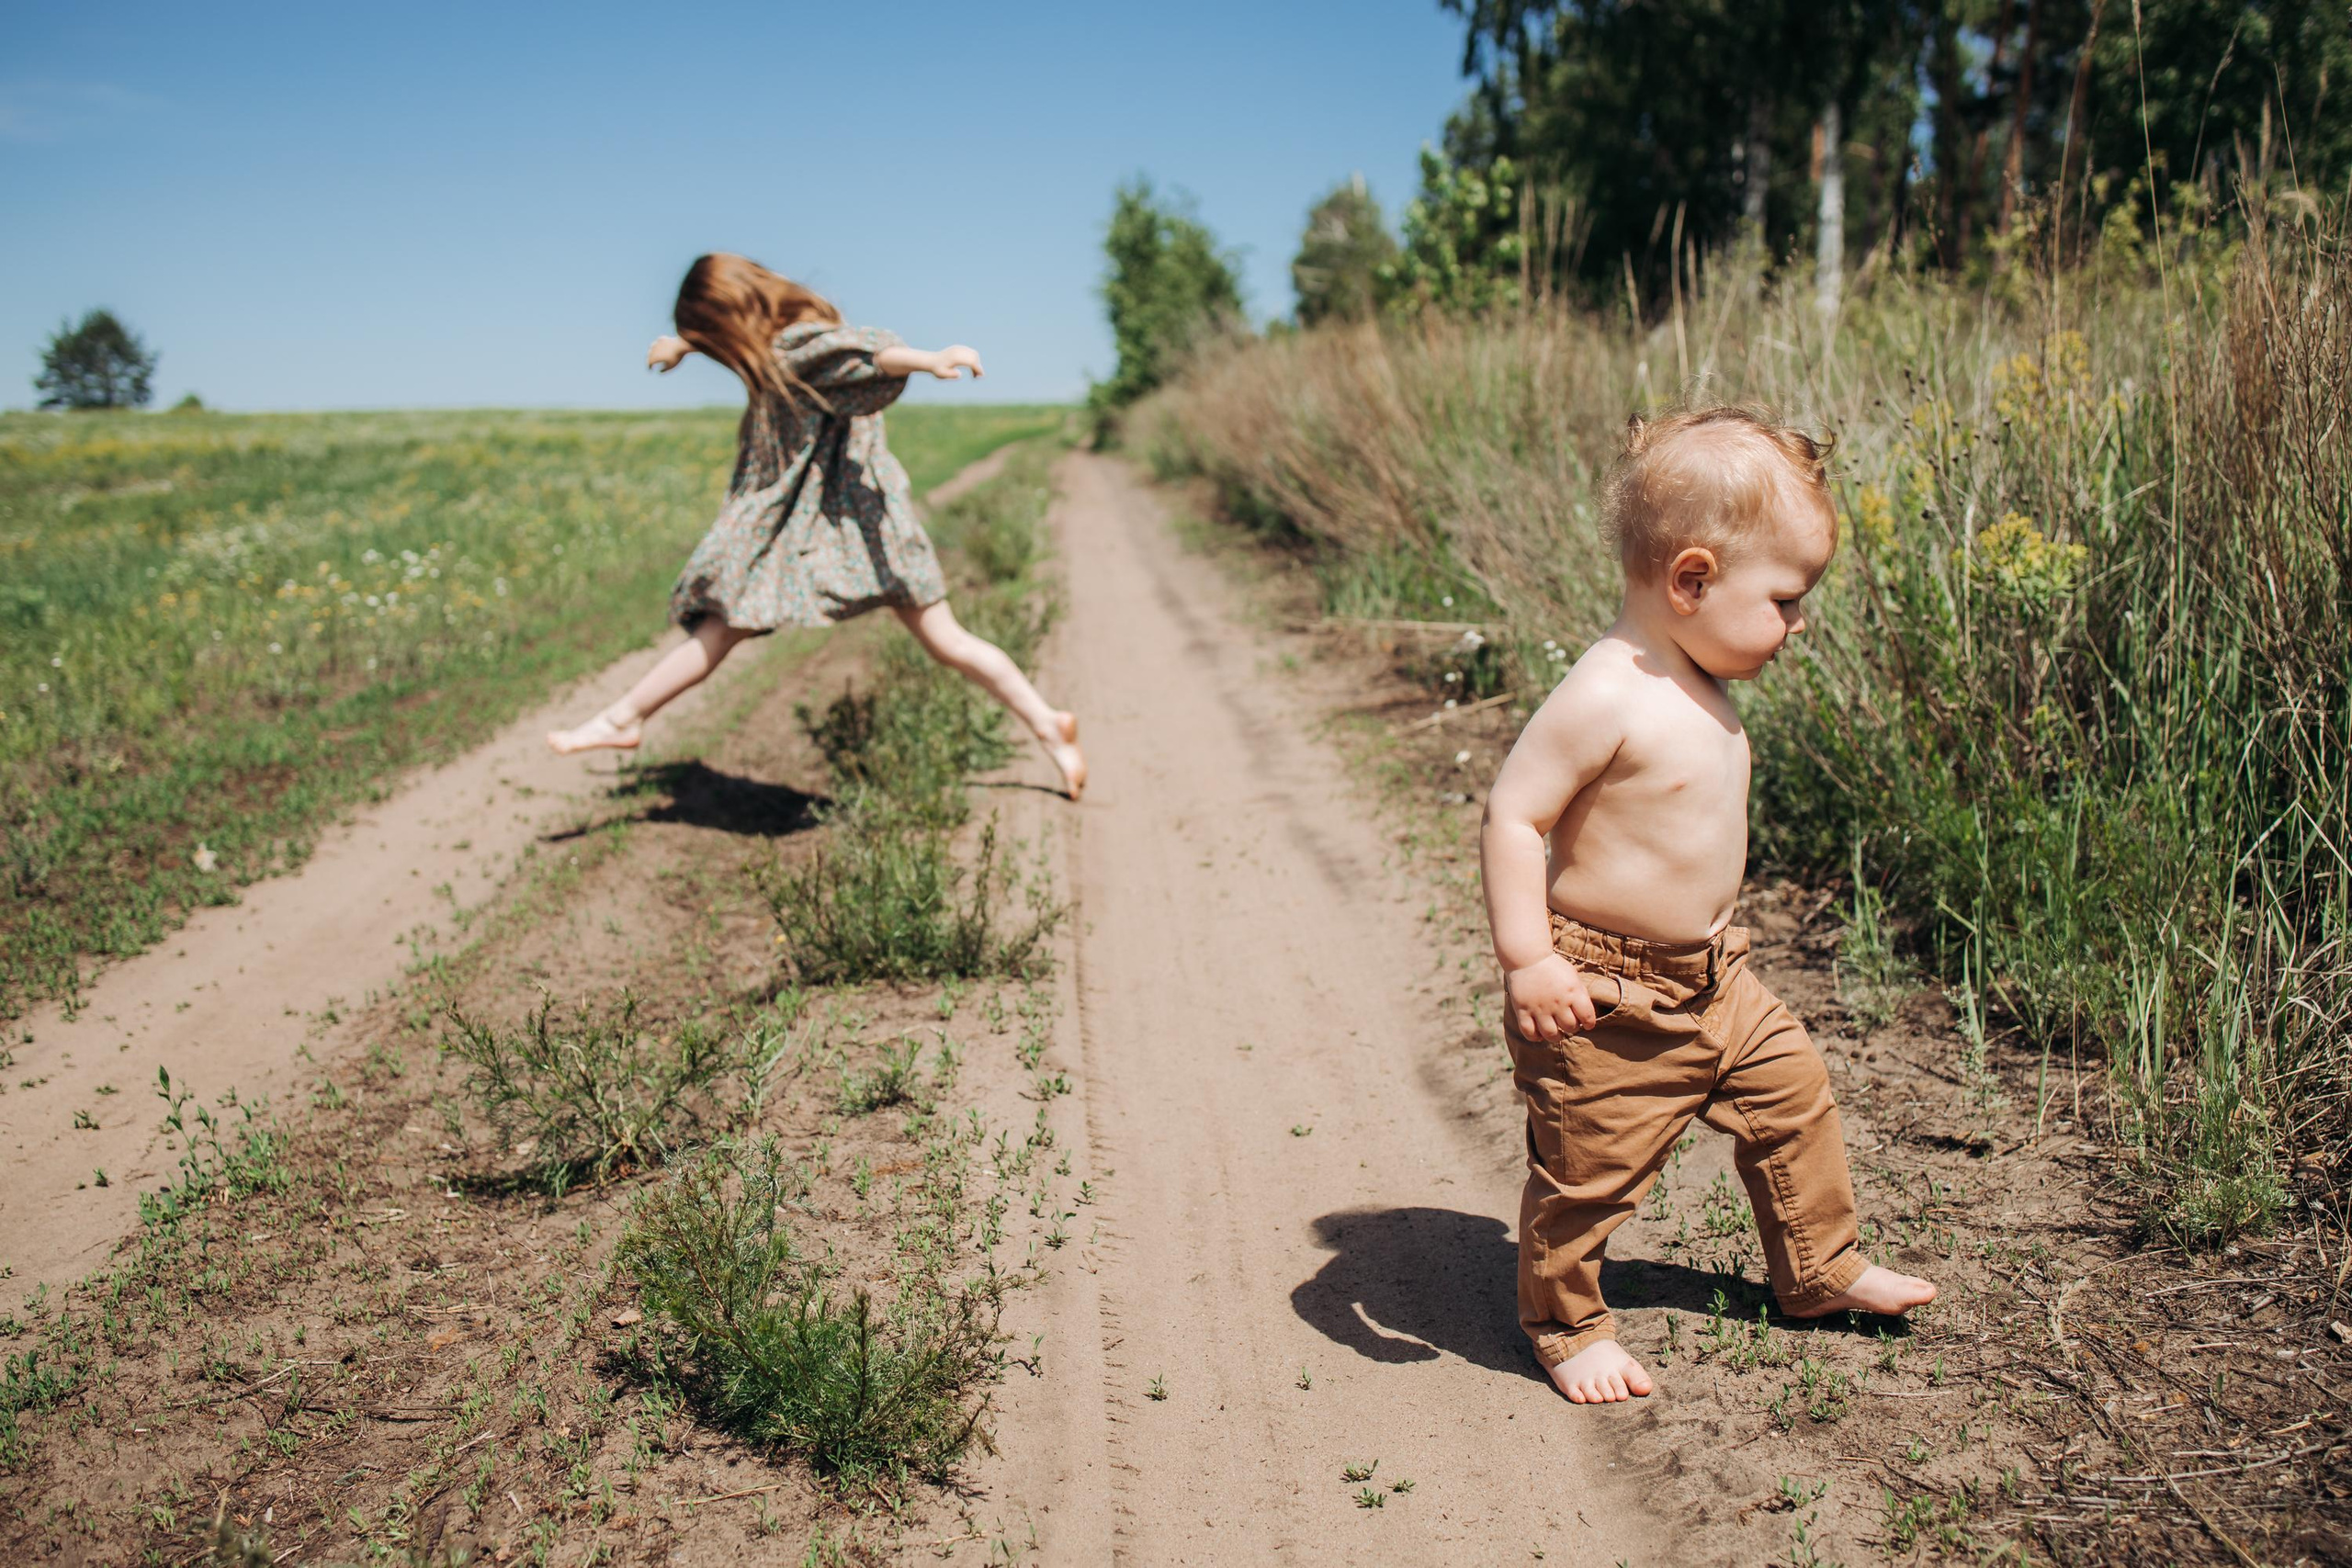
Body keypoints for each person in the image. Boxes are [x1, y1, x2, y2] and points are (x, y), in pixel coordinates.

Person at [1478, 406, 1935, 1405]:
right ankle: (1565, 1322)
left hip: (1713, 980)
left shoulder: (1691, 672)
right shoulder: (1606, 692)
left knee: (1793, 1096)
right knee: (1589, 1174)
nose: (1798, 622)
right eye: (1785, 599)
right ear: (1691, 581)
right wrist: (1530, 962)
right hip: (1607, 998)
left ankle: (1817, 1267)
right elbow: (1514, 817)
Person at [548, 253, 1086, 799]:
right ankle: (1049, 724)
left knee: (731, 616)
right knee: (940, 639)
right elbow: (805, 350)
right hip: (865, 518)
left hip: (842, 523)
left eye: (709, 330)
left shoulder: (797, 346)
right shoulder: (785, 339)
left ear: (732, 316)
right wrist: (685, 345)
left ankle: (623, 719)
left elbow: (865, 356)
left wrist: (928, 359)